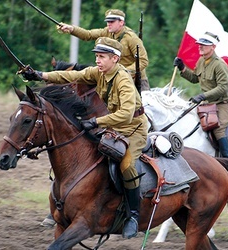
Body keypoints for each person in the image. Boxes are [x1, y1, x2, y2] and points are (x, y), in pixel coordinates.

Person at [22, 37, 148, 239]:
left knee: (126, 165)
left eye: (102, 57)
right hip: (112, 125)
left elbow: (125, 114)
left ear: (115, 59)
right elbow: (71, 75)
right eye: (97, 56)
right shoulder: (98, 73)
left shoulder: (123, 80)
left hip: (133, 129)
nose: (97, 60)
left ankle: (133, 215)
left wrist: (97, 122)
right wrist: (38, 74)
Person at [173, 31, 228, 159]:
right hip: (208, 104)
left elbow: (224, 87)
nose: (200, 46)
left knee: (218, 129)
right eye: (200, 44)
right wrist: (182, 68)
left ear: (213, 47)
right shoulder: (201, 60)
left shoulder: (220, 64)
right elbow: (195, 78)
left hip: (223, 104)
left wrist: (202, 96)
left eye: (204, 44)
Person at [57, 9, 150, 92]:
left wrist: (125, 71)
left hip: (135, 80)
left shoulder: (131, 38)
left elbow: (143, 61)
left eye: (112, 21)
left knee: (144, 108)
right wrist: (72, 29)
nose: (108, 24)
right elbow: (88, 35)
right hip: (113, 78)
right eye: (108, 21)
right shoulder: (107, 32)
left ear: (121, 22)